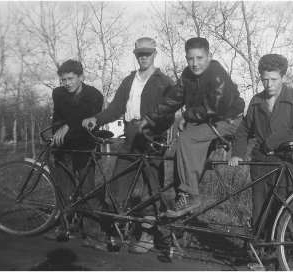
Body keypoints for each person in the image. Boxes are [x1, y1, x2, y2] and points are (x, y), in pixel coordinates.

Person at [82, 37, 174, 254]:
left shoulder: (165, 82)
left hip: (153, 138)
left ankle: (147, 236)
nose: (143, 57)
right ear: (135, 55)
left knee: (151, 188)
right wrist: (97, 118)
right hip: (130, 136)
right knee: (118, 184)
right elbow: (115, 108)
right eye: (140, 54)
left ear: (154, 54)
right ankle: (113, 234)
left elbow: (169, 114)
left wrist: (153, 126)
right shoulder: (128, 80)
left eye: (147, 53)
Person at [138, 37, 245, 218]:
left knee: (187, 138)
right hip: (209, 120)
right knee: (185, 140)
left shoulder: (217, 74)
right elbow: (173, 98)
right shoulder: (187, 75)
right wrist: (150, 117)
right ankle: (184, 195)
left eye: (200, 58)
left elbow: (215, 108)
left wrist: (187, 116)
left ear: (209, 56)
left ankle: (191, 195)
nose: (195, 64)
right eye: (190, 59)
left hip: (229, 121)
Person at [228, 54, 293, 238]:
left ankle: (285, 254)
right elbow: (244, 129)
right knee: (260, 210)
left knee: (285, 210)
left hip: (288, 164)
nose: (269, 84)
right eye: (265, 79)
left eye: (274, 79)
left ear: (283, 77)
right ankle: (258, 254)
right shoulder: (256, 101)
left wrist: (273, 142)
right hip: (261, 165)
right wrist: (237, 153)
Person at [48, 59, 110, 250]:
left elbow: (85, 120)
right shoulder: (58, 93)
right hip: (63, 147)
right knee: (63, 188)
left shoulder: (94, 95)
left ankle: (93, 234)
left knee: (87, 191)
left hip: (84, 147)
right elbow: (58, 118)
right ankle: (65, 228)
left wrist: (68, 125)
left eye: (70, 79)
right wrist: (61, 129)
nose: (66, 83)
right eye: (63, 79)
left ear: (81, 77)